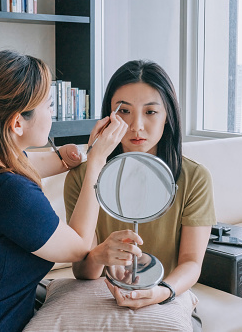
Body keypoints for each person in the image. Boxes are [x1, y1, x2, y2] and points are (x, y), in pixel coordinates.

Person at [0, 50, 127, 331]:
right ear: (17, 123)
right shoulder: (9, 192)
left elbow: (33, 163)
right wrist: (98, 163)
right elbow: (79, 246)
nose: (52, 114)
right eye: (49, 105)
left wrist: (73, 156)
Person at [63, 60, 216, 328]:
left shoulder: (194, 178)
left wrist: (163, 291)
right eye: (124, 111)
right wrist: (99, 255)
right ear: (108, 116)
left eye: (151, 112)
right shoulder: (82, 176)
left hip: (166, 293)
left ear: (168, 115)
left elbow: (191, 263)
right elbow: (82, 272)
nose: (136, 125)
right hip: (100, 296)